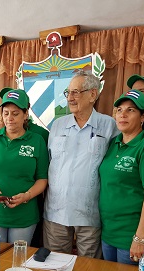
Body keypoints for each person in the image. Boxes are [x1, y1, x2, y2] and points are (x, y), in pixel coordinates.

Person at [43, 70, 119, 258]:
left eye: (76, 92)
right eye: (68, 93)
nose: (70, 98)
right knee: (55, 270)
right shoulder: (57, 125)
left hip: (90, 213)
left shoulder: (109, 125)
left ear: (93, 94)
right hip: (56, 212)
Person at [0, 88, 49, 245]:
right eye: (6, 113)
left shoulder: (37, 140)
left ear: (25, 114)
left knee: (17, 261)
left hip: (24, 214)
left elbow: (42, 179)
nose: (10, 118)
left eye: (15, 113)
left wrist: (27, 196)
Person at [99, 90, 144, 264]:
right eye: (119, 110)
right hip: (108, 233)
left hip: (132, 236)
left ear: (143, 117)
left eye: (131, 110)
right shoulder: (114, 143)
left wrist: (140, 238)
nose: (123, 115)